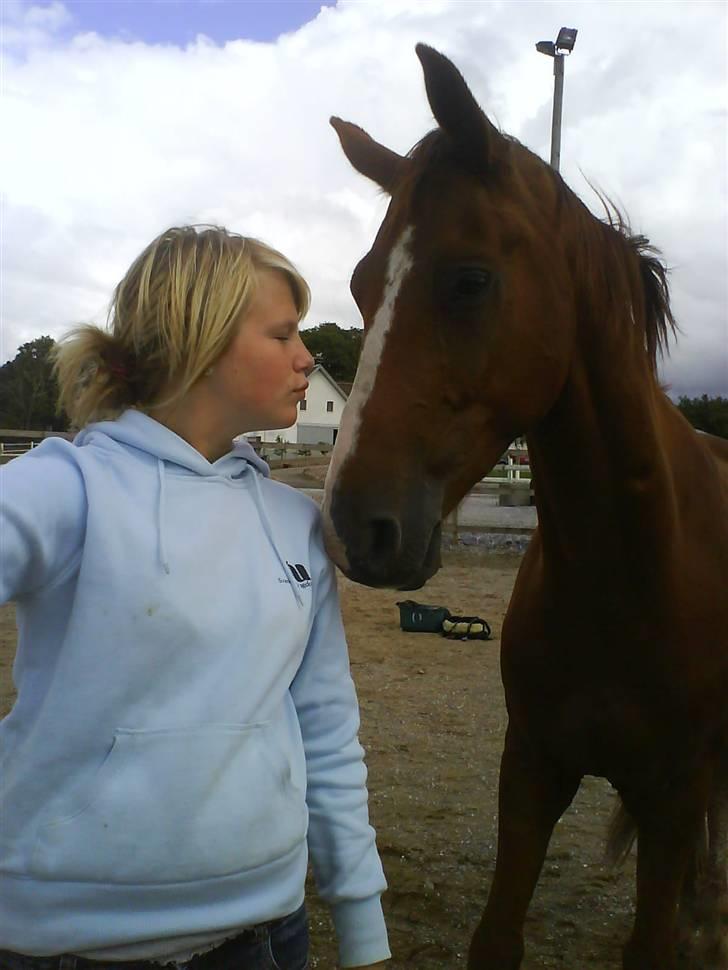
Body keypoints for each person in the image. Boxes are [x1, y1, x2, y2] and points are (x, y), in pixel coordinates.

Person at [0, 226, 391, 970]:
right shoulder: (68, 491)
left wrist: (363, 925)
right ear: (201, 341)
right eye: (283, 333)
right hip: (65, 943)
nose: (308, 356)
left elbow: (328, 732)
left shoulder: (296, 526)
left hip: (267, 936)